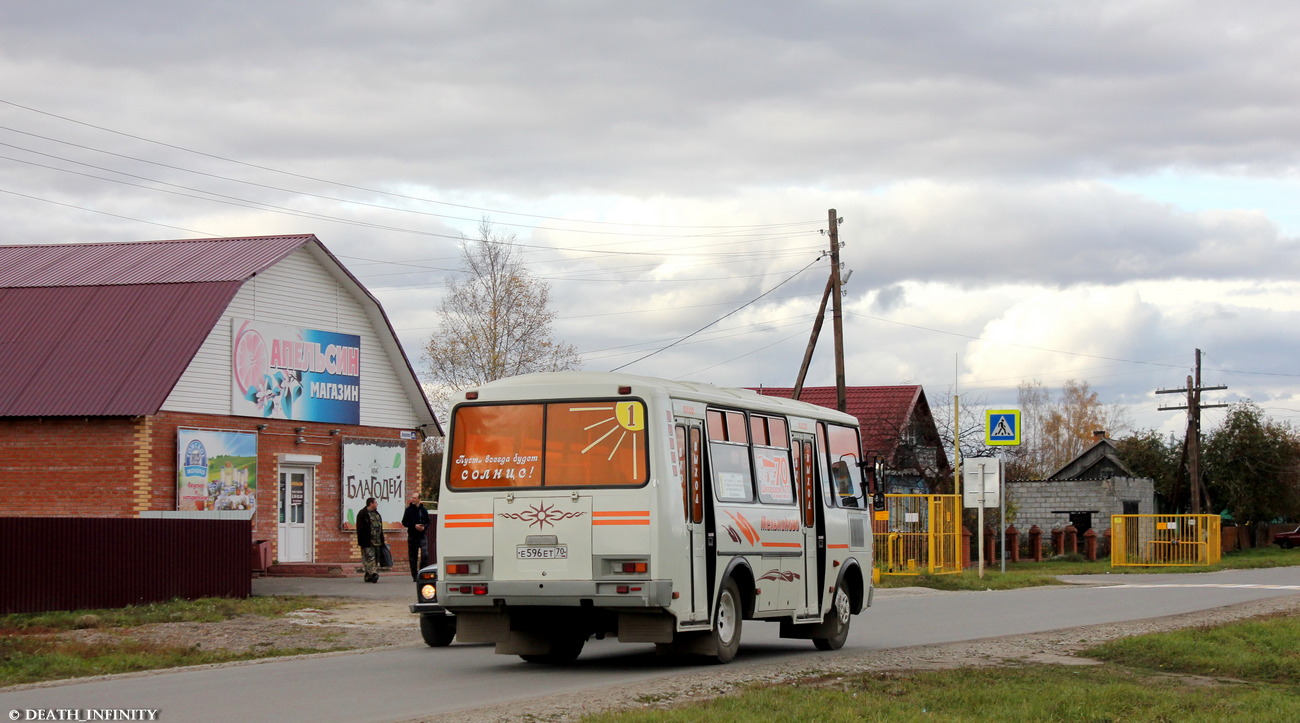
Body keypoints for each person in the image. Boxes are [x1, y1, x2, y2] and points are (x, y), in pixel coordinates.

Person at [401, 492, 431, 581]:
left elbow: (428, 521)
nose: (413, 499)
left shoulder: (424, 510)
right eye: (412, 498)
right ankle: (415, 576)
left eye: (415, 498)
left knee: (425, 554)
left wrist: (424, 526)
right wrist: (414, 525)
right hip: (412, 536)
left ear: (419, 499)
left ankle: (422, 572)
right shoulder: (409, 510)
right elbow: (404, 522)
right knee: (413, 557)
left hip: (422, 536)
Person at [356, 497, 385, 583]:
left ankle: (368, 575)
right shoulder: (363, 514)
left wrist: (382, 540)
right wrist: (362, 541)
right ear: (371, 503)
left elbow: (380, 528)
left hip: (377, 541)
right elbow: (360, 529)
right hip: (367, 541)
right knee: (370, 558)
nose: (377, 504)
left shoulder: (376, 514)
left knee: (374, 559)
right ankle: (374, 574)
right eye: (375, 503)